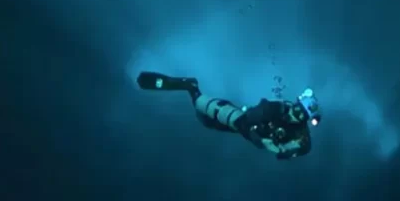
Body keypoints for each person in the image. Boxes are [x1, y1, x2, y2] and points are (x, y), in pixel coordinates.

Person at [136, 71, 321, 160]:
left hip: (247, 131)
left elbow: (297, 150)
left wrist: (288, 149)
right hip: (240, 120)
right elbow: (247, 119)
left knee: (208, 122)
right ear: (295, 104)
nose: (296, 116)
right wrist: (254, 133)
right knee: (207, 110)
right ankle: (191, 87)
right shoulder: (276, 107)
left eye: (301, 116)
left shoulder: (300, 134)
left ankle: (196, 96)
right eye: (298, 110)